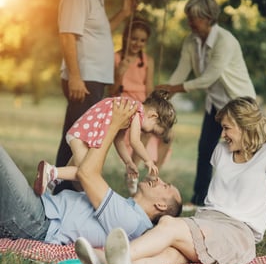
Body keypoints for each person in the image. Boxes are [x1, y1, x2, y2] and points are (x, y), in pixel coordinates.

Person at [75, 97, 266, 264]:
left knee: (168, 225)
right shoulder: (221, 151)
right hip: (205, 221)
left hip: (237, 234)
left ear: (245, 126)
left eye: (227, 128)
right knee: (169, 254)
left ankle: (104, 259)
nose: (223, 135)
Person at [0, 100, 182, 247]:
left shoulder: (131, 222)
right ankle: (53, 175)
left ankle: (53, 173)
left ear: (161, 205)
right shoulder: (126, 207)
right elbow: (82, 181)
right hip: (41, 208)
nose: (159, 180)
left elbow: (87, 173)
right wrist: (127, 160)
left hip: (37, 221)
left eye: (165, 186)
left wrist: (113, 125)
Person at [156, 0, 256, 209]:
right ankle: (200, 198)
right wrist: (164, 95)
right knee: (206, 150)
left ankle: (241, 204)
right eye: (189, 17)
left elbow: (209, 77)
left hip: (239, 104)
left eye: (194, 17)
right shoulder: (191, 41)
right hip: (216, 105)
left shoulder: (225, 41)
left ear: (209, 17)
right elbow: (181, 72)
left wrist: (176, 88)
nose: (189, 22)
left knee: (239, 153)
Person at [55, 0, 134, 192]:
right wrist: (76, 78)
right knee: (77, 140)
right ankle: (62, 191)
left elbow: (96, 35)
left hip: (93, 80)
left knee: (80, 140)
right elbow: (67, 35)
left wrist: (123, 13)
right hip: (84, 81)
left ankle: (63, 190)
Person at [34, 90, 176, 195]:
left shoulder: (129, 111)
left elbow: (119, 140)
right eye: (153, 130)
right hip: (83, 135)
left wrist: (128, 162)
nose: (148, 133)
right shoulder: (137, 111)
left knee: (82, 181)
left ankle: (54, 183)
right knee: (87, 173)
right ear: (153, 116)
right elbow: (135, 141)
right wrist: (148, 160)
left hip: (82, 135)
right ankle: (51, 172)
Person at [109, 17, 172, 195]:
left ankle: (154, 173)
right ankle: (133, 171)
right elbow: (112, 91)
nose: (138, 43)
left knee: (167, 133)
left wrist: (156, 106)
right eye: (134, 38)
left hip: (143, 103)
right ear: (126, 37)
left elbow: (150, 88)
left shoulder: (148, 61)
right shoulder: (116, 58)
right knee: (143, 130)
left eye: (142, 40)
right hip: (124, 104)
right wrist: (120, 74)